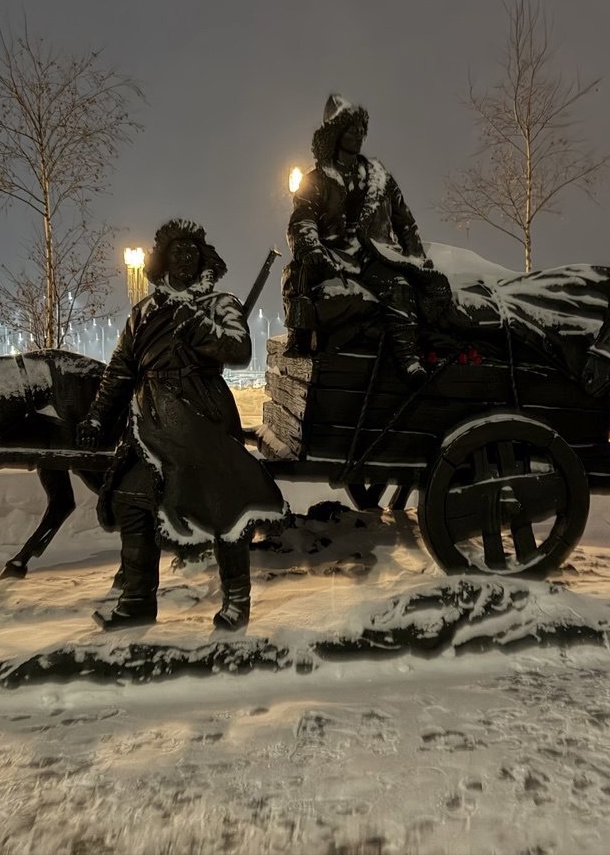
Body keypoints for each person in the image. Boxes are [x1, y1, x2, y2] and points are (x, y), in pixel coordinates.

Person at [77, 219, 287, 630]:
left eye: (194, 250)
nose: (186, 257)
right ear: (163, 260)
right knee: (130, 498)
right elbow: (120, 370)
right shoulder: (144, 312)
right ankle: (137, 600)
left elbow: (238, 348)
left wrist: (200, 327)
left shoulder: (219, 303)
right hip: (151, 419)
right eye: (178, 250)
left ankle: (237, 601)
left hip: (202, 416)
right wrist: (99, 414)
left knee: (225, 504)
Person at [281, 93, 432, 383]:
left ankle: (410, 359)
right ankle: (299, 340)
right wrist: (311, 247)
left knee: (399, 286)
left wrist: (416, 260)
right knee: (304, 283)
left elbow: (406, 223)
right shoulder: (317, 179)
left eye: (361, 129)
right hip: (335, 257)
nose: (357, 134)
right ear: (335, 134)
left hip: (375, 256)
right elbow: (302, 219)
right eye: (350, 129)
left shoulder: (380, 178)